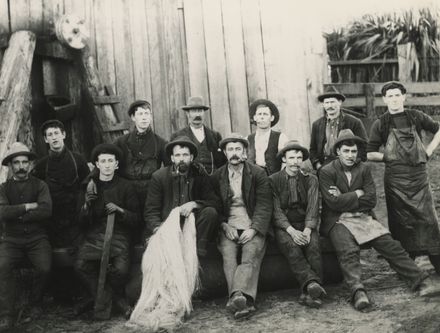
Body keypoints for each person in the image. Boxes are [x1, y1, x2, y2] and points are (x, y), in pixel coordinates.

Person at [319, 129, 440, 311]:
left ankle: (420, 279)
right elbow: (333, 203)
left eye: (353, 151)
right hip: (337, 220)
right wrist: (357, 194)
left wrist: (347, 196)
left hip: (363, 217)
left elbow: (371, 200)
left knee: (390, 245)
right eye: (346, 151)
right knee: (348, 250)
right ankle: (357, 291)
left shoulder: (364, 169)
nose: (350, 156)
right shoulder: (327, 171)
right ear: (338, 151)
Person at [367, 81, 440, 274]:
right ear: (384, 99)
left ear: (404, 97)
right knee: (402, 222)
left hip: (418, 178)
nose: (394, 99)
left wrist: (429, 150)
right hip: (396, 180)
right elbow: (369, 152)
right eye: (389, 96)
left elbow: (438, 130)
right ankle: (408, 264)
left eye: (397, 95)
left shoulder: (416, 116)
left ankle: (436, 259)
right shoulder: (380, 123)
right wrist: (389, 157)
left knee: (429, 220)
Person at [74, 143, 141, 319]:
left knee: (120, 270)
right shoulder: (89, 186)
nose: (107, 164)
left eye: (111, 161)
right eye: (103, 161)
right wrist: (87, 204)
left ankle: (97, 300)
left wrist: (120, 211)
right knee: (81, 266)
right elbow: (81, 221)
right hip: (95, 235)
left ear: (116, 164)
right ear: (97, 164)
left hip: (119, 234)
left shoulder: (126, 186)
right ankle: (116, 301)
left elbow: (136, 218)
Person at [211, 133, 272, 319]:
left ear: (245, 153)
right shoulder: (216, 176)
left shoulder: (258, 173)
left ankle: (237, 297)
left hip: (251, 223)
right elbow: (212, 205)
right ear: (225, 153)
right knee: (228, 255)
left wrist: (254, 229)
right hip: (228, 225)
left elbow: (264, 204)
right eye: (230, 149)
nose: (234, 153)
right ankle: (243, 300)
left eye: (238, 149)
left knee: (250, 253)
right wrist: (223, 225)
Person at [0, 142, 52, 330]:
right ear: (10, 166)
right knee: (2, 266)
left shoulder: (40, 185)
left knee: (45, 267)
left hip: (37, 238)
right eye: (16, 163)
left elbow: (46, 210)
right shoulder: (3, 188)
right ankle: (6, 313)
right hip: (11, 239)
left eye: (24, 162)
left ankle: (35, 302)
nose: (21, 167)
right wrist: (28, 206)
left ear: (30, 165)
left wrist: (16, 214)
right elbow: (2, 212)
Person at [270, 140, 326, 308]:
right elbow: (276, 210)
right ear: (284, 159)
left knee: (314, 246)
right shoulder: (273, 180)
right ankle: (312, 285)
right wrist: (292, 231)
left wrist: (308, 229)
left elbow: (313, 207)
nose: (295, 161)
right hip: (284, 225)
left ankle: (310, 292)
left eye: (299, 157)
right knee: (291, 246)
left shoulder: (311, 179)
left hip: (305, 222)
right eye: (291, 157)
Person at [144, 136, 220, 257]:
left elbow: (215, 202)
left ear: (191, 157)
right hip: (168, 225)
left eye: (185, 155)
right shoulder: (159, 177)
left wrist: (195, 204)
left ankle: (197, 250)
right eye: (178, 155)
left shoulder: (200, 175)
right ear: (172, 158)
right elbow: (151, 210)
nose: (181, 159)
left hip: (193, 227)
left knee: (211, 212)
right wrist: (158, 230)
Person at [33, 119, 90, 247]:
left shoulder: (78, 160)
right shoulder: (42, 165)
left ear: (63, 135)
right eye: (50, 135)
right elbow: (36, 193)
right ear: (46, 140)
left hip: (76, 219)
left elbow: (87, 187)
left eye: (56, 133)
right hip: (53, 220)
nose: (54, 138)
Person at [310, 86, 367, 170]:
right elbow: (313, 149)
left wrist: (353, 163)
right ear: (323, 105)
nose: (330, 106)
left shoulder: (354, 122)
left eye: (333, 102)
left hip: (348, 164)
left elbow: (364, 146)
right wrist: (318, 165)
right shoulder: (317, 124)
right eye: (327, 103)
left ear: (340, 102)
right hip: (325, 165)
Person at [171, 96, 226, 175]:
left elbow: (222, 163)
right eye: (193, 111)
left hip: (212, 181)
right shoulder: (177, 137)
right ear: (187, 114)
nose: (197, 115)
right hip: (190, 181)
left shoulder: (215, 136)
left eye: (200, 111)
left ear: (204, 113)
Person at [247, 99, 288, 175]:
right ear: (255, 117)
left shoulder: (280, 137)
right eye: (259, 114)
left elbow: (285, 162)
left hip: (273, 179)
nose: (262, 117)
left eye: (265, 114)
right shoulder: (248, 139)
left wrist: (279, 179)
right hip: (254, 180)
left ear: (272, 118)